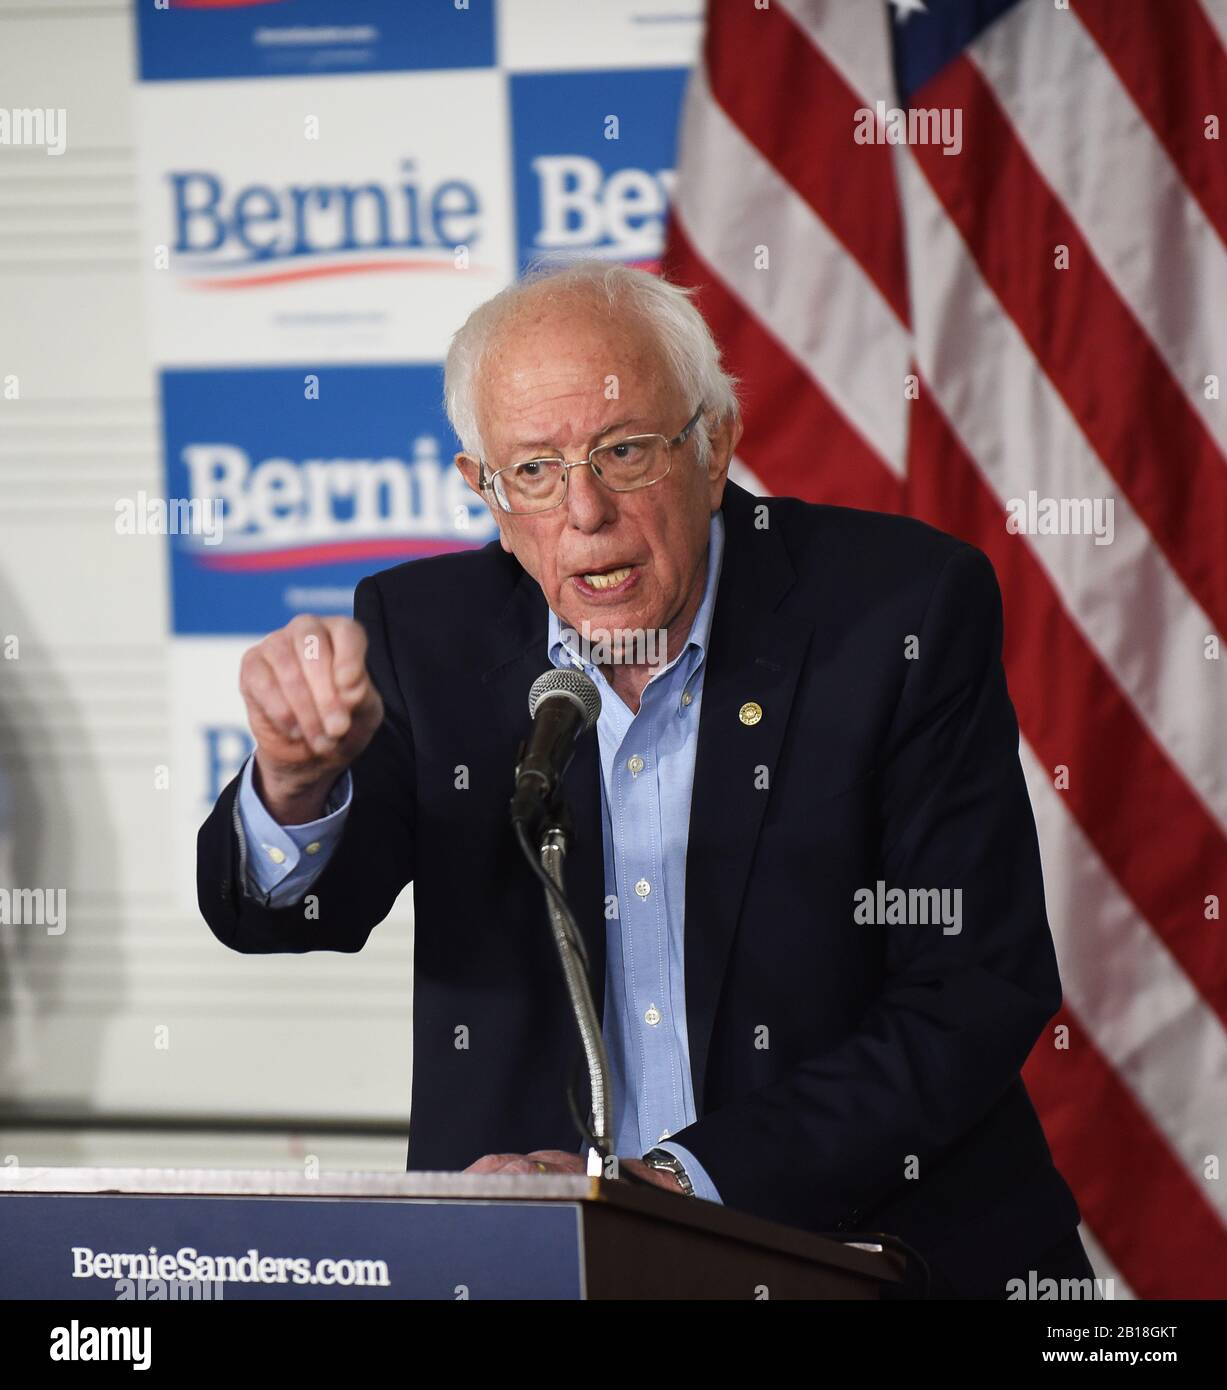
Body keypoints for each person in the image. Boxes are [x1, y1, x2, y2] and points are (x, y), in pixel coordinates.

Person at [197, 260, 1094, 1297]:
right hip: (547, 1274)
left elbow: (973, 986)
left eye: (623, 452)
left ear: (715, 446)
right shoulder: (423, 635)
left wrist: (670, 1183)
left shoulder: (894, 612)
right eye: (532, 469)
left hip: (877, 1255)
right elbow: (288, 913)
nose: (585, 510)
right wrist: (295, 785)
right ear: (481, 488)